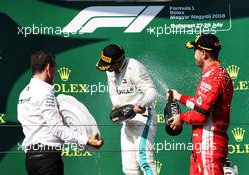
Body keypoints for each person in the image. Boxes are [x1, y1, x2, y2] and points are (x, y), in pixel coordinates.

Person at [17, 51, 103, 175]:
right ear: (48, 68)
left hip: (31, 160)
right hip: (47, 159)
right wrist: (86, 141)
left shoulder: (24, 93)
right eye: (54, 68)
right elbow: (57, 128)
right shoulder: (44, 92)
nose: (55, 72)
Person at [168, 34, 233, 175]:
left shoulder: (212, 77)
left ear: (203, 54)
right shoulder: (219, 73)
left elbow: (201, 115)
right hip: (206, 144)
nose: (194, 55)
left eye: (195, 51)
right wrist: (179, 97)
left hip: (208, 144)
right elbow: (202, 106)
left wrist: (181, 118)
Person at [96, 44, 159, 175]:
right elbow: (113, 91)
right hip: (127, 120)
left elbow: (152, 92)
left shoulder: (134, 67)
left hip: (143, 118)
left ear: (119, 61)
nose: (108, 69)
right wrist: (116, 104)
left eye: (110, 65)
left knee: (144, 161)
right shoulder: (110, 70)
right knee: (129, 168)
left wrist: (141, 104)